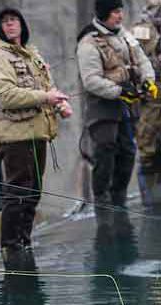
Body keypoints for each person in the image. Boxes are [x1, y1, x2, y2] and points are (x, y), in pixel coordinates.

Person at [0, 7, 72, 269]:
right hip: (14, 136)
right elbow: (6, 96)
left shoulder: (33, 56)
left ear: (22, 25)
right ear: (0, 28)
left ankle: (24, 241)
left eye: (14, 21)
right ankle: (11, 248)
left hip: (37, 133)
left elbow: (46, 88)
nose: (10, 25)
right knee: (17, 192)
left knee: (33, 191)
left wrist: (59, 105)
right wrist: (46, 98)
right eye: (5, 22)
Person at [77, 0, 155, 220]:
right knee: (105, 150)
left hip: (126, 107)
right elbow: (91, 80)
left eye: (120, 11)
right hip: (102, 109)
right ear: (103, 14)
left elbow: (142, 60)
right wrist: (118, 91)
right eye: (114, 12)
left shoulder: (125, 35)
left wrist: (149, 81)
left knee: (128, 152)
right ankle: (102, 204)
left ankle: (118, 201)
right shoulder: (88, 42)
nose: (119, 16)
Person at [132, 0, 161, 207]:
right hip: (152, 95)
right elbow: (138, 55)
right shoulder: (142, 28)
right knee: (147, 147)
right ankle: (150, 203)